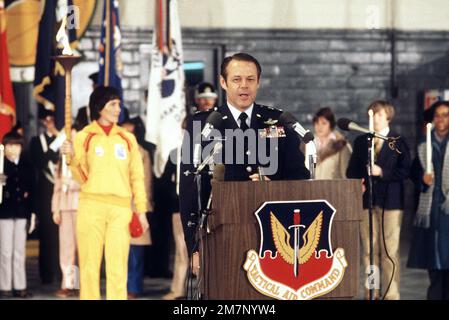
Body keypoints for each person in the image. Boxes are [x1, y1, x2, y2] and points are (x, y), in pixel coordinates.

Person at [180, 52, 310, 276]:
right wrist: (194, 247)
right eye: (236, 79)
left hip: (272, 236)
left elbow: (300, 177)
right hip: (219, 233)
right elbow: (189, 188)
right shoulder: (201, 125)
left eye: (250, 79)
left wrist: (274, 185)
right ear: (223, 82)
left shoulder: (278, 121)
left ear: (258, 82)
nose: (244, 86)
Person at [60, 86, 149, 300]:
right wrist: (71, 159)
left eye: (119, 104)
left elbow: (137, 177)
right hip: (91, 206)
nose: (119, 109)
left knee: (118, 267)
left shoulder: (127, 139)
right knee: (90, 266)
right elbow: (82, 177)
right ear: (100, 108)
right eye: (113, 104)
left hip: (121, 209)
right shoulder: (84, 137)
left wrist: (142, 211)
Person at [347, 100, 411, 300]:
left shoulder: (398, 141)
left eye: (379, 114)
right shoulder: (361, 142)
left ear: (388, 117)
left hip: (391, 204)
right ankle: (372, 291)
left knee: (389, 251)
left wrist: (382, 172)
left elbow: (405, 170)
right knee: (369, 250)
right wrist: (360, 181)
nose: (375, 118)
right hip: (367, 202)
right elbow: (351, 171)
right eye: (372, 114)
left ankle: (391, 294)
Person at [407, 101, 449, 300]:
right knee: (435, 261)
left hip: (447, 210)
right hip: (431, 211)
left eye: (445, 115)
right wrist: (422, 180)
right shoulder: (424, 145)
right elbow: (414, 173)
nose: (441, 119)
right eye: (438, 115)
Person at [121, 116, 153, 299]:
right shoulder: (115, 149)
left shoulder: (141, 152)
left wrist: (144, 206)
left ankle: (133, 286)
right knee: (119, 249)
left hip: (135, 205)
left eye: (130, 128)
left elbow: (146, 181)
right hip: (117, 204)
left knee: (135, 250)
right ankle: (121, 285)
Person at [0, 131, 34, 298]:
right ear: (4, 147)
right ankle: (5, 285)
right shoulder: (1, 164)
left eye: (17, 145)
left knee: (19, 251)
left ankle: (20, 286)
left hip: (21, 212)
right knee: (5, 251)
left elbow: (32, 190)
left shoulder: (27, 165)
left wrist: (32, 213)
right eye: (10, 145)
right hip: (4, 212)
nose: (13, 148)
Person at [29, 108, 61, 285]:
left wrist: (59, 137)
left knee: (64, 236)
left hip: (63, 193)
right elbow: (40, 161)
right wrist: (56, 141)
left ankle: (65, 275)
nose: (50, 121)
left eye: (52, 117)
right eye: (47, 118)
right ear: (42, 121)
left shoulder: (65, 139)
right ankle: (47, 275)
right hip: (45, 193)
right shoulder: (36, 141)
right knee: (47, 234)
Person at [51, 127, 80, 298]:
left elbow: (88, 182)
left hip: (81, 207)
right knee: (67, 248)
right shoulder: (60, 163)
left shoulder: (83, 161)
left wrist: (73, 184)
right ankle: (69, 284)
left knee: (83, 248)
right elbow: (56, 188)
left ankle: (83, 283)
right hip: (65, 208)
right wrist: (56, 210)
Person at [312, 107, 352, 179]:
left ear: (331, 124)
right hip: (312, 189)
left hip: (335, 188)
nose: (319, 127)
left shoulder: (342, 146)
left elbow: (346, 176)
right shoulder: (309, 145)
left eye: (324, 123)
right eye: (317, 123)